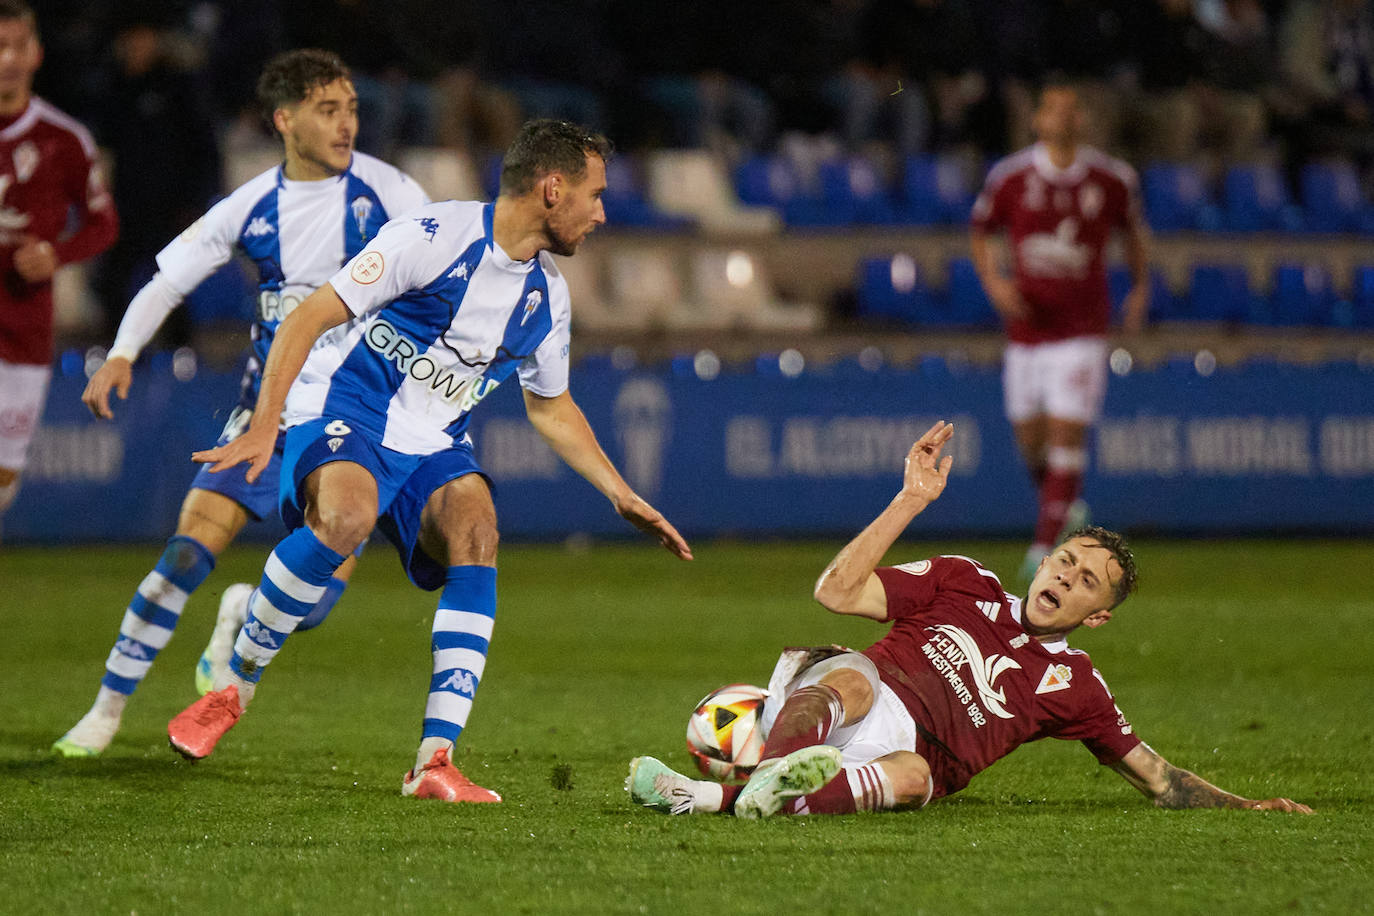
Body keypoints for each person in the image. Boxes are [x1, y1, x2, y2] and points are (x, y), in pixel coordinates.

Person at [165, 118, 693, 804]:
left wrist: (619, 493)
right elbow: (308, 318)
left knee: (478, 531)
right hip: (345, 405)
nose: (601, 212)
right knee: (347, 517)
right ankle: (230, 693)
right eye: (594, 194)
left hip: (433, 440)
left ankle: (434, 761)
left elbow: (551, 408)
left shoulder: (547, 298)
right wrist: (266, 423)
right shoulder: (432, 238)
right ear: (552, 189)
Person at [628, 421, 1312, 819]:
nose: (1066, 578)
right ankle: (770, 780)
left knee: (916, 780)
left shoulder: (1075, 687)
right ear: (1044, 561)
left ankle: (711, 798)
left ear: (1096, 617)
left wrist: (1247, 808)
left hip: (910, 756)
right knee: (858, 678)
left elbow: (1157, 778)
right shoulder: (965, 580)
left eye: (1086, 583)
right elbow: (836, 593)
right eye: (1065, 561)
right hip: (847, 697)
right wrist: (909, 499)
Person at [52, 48, 430, 758]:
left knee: (312, 604)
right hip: (264, 417)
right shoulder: (252, 204)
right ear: (284, 120)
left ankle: (239, 613)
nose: (347, 123)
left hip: (352, 425)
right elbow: (167, 281)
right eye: (328, 110)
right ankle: (103, 714)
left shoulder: (394, 195)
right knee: (183, 558)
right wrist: (126, 352)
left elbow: (450, 269)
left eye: (351, 108)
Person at [968, 82, 1151, 582]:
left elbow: (1133, 235)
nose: (1064, 118)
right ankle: (1064, 506)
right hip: (1026, 333)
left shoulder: (1111, 179)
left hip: (1081, 331)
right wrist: (994, 283)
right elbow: (980, 230)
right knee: (1031, 441)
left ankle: (1043, 547)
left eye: (1073, 109)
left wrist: (1139, 286)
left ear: (1082, 121)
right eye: (1054, 109)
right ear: (1038, 120)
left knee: (1067, 433)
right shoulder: (1011, 177)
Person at [0, 0, 118, 540]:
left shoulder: (63, 139)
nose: (6, 59)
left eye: (16, 46)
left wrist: (55, 255)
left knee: (4, 478)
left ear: (36, 53)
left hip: (22, 330)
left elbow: (103, 225)